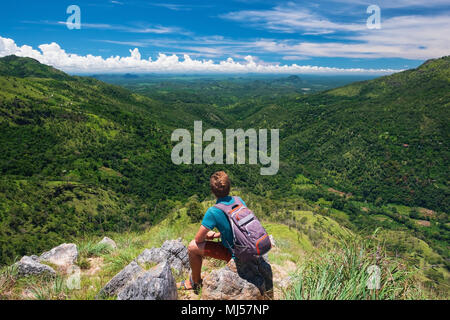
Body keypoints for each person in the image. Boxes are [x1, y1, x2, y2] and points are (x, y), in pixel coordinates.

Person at [177, 170, 246, 292]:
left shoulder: (213, 211)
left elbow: (198, 239)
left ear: (213, 192)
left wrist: (212, 236)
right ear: (229, 187)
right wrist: (219, 234)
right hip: (247, 248)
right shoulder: (239, 200)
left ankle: (195, 283)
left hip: (234, 254)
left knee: (192, 247)